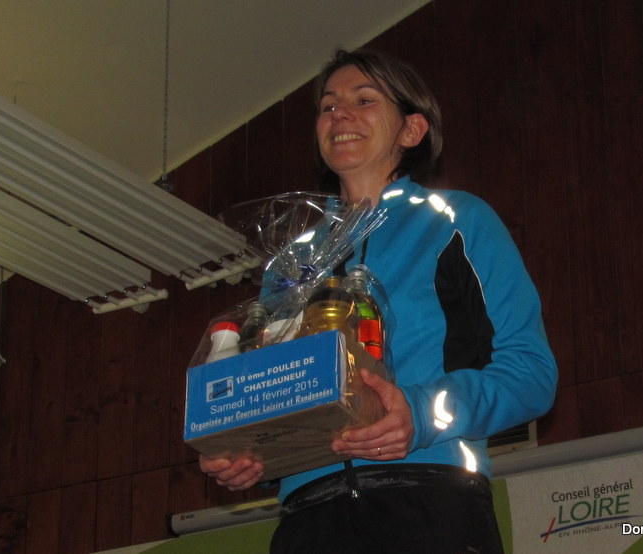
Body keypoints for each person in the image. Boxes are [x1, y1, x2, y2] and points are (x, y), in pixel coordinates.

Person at [200, 48, 558, 553]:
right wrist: (248, 449)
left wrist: (420, 413)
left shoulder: (457, 220)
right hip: (307, 519)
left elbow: (531, 376)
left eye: (363, 100)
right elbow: (273, 389)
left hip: (430, 501)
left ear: (411, 130)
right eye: (328, 106)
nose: (339, 115)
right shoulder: (289, 263)